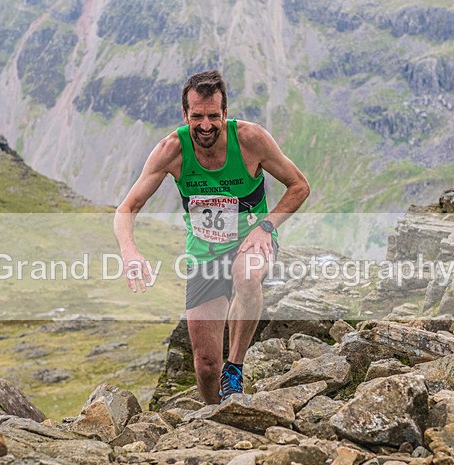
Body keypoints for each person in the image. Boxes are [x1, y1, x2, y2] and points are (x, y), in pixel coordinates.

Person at [113, 70, 310, 404]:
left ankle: (234, 368)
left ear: (225, 113)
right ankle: (213, 414)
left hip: (252, 239)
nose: (205, 125)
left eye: (213, 116)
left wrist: (268, 226)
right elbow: (127, 208)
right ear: (185, 115)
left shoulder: (251, 140)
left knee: (246, 276)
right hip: (204, 252)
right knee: (205, 366)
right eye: (197, 117)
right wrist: (130, 251)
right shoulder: (171, 150)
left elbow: (299, 186)